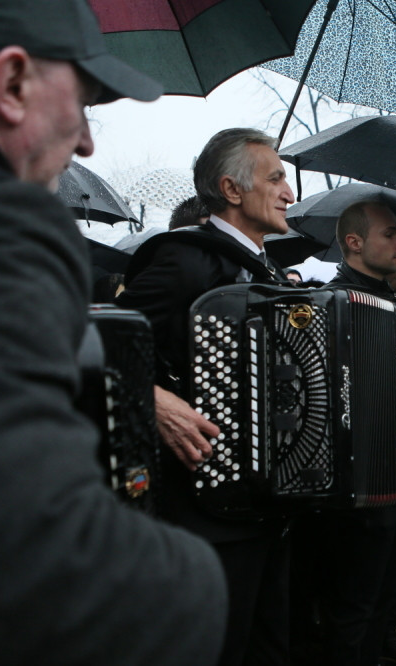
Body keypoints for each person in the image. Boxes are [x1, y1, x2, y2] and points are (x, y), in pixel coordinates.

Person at [0, 0, 228, 663]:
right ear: (13, 83)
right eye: (87, 101)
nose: (89, 142)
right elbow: (29, 572)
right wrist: (193, 586)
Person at [117, 128, 296, 666]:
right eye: (276, 177)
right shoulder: (185, 259)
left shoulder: (272, 277)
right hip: (202, 512)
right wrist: (148, 396)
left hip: (271, 506)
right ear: (232, 190)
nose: (289, 193)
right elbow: (82, 344)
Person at [318, 200, 396, 666]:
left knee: (388, 586)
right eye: (390, 234)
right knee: (353, 603)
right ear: (355, 242)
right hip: (358, 482)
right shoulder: (331, 302)